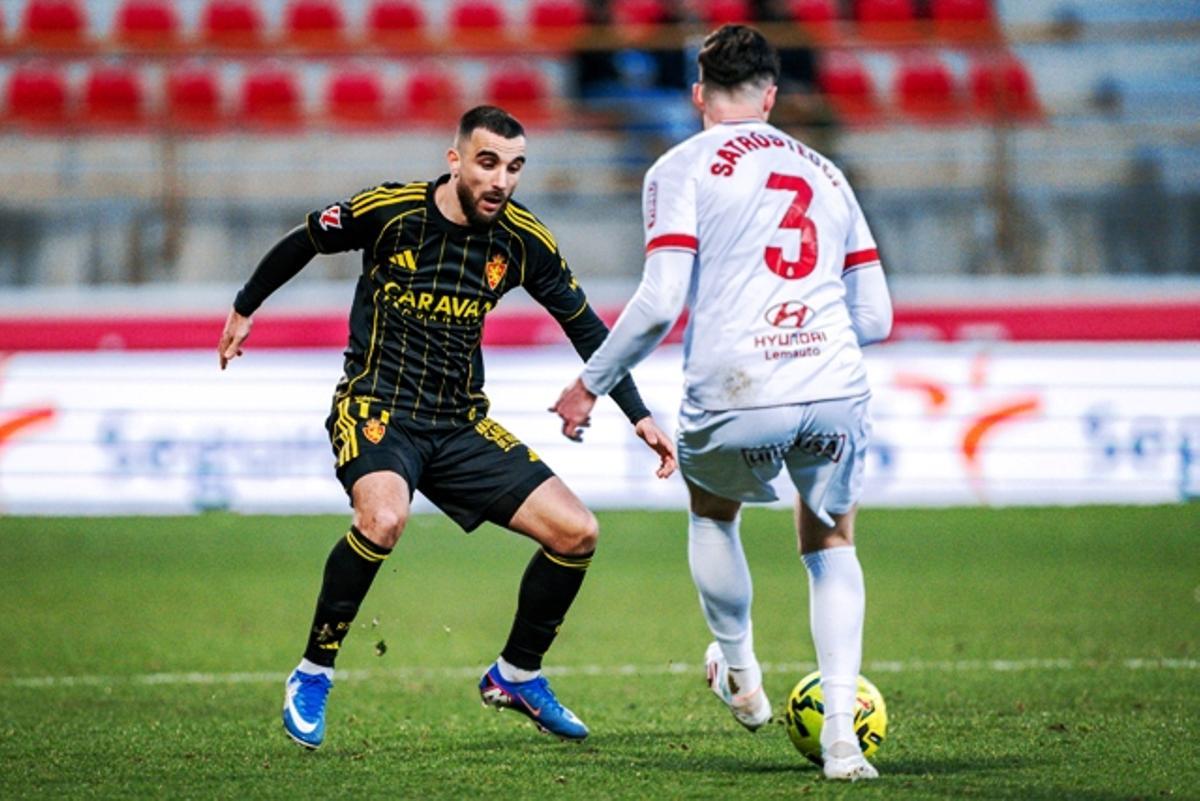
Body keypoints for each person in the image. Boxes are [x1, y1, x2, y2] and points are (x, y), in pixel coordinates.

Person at [218, 105, 677, 750]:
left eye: (515, 167)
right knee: (383, 519)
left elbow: (585, 326)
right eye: (488, 163)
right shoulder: (392, 212)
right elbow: (304, 238)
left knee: (577, 533)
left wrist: (638, 412)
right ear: (454, 159)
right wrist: (244, 307)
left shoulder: (521, 241)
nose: (501, 181)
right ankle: (313, 671)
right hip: (376, 408)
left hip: (460, 424)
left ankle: (516, 674)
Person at [552, 25, 893, 781]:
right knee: (831, 540)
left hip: (738, 384)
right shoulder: (828, 173)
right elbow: (876, 317)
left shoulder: (681, 167)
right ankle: (843, 741)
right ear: (772, 95)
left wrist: (590, 383)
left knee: (713, 512)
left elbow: (661, 300)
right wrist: (808, 336)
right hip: (833, 381)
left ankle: (742, 678)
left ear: (698, 93)